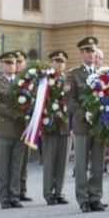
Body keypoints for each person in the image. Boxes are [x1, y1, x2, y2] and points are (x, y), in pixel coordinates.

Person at [66, 37, 107, 212]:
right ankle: (83, 198)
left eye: (93, 51)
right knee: (82, 164)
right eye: (88, 51)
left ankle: (95, 196)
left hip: (100, 125)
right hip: (83, 125)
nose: (91, 54)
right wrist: (84, 114)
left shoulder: (102, 74)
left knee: (98, 163)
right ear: (82, 53)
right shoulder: (74, 74)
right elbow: (69, 99)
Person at [0, 52, 26, 208]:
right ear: (1, 65)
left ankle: (14, 196)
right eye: (7, 63)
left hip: (20, 130)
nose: (11, 65)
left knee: (17, 166)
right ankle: (4, 197)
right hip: (4, 130)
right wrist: (16, 112)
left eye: (13, 63)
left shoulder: (22, 83)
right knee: (3, 166)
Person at [41, 50, 71, 205]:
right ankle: (48, 192)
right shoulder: (44, 81)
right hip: (50, 126)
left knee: (62, 161)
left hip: (65, 127)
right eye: (56, 61)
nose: (59, 64)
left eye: (62, 61)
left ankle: (59, 192)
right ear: (50, 63)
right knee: (50, 160)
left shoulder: (68, 80)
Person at [14, 51, 33, 202]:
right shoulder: (11, 81)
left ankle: (22, 189)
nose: (18, 64)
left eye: (21, 61)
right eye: (16, 62)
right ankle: (12, 189)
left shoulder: (30, 80)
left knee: (24, 158)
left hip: (28, 124)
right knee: (14, 159)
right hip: (13, 124)